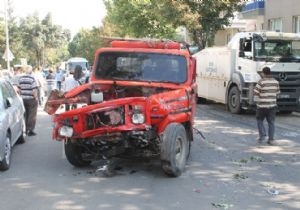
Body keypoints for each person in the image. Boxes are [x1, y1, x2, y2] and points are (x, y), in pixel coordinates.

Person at [254, 67, 280, 145]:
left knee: (259, 120)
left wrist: (261, 96)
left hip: (262, 106)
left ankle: (262, 136)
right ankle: (271, 139)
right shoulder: (276, 82)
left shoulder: (261, 82)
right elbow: (278, 94)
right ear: (270, 73)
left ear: (263, 73)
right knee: (271, 122)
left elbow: (256, 92)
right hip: (272, 106)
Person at [18, 65, 38, 136]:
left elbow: (19, 90)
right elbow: (34, 90)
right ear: (30, 71)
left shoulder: (21, 78)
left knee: (25, 114)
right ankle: (30, 130)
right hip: (31, 99)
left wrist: (22, 95)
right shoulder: (31, 78)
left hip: (23, 99)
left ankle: (25, 130)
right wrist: (36, 98)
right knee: (32, 115)